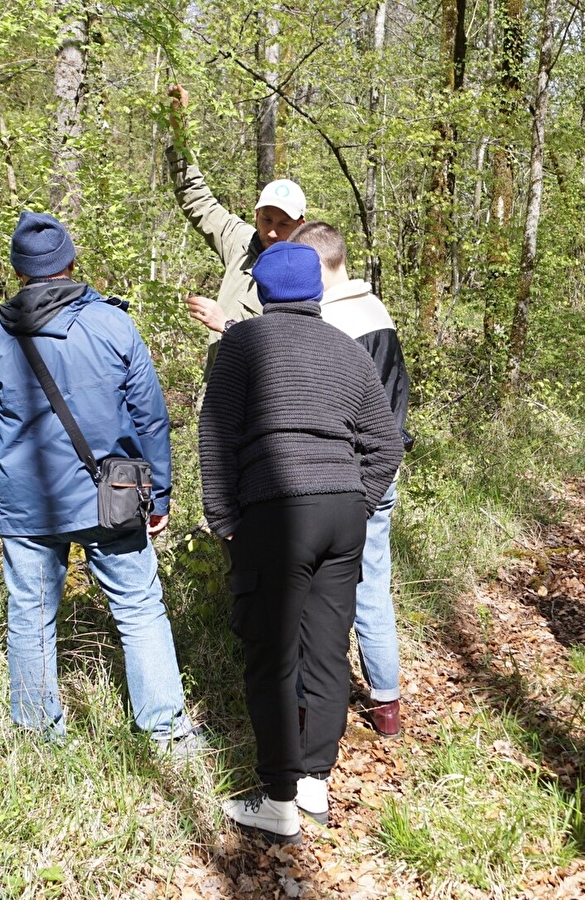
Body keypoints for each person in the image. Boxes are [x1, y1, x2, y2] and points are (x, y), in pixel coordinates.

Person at [0, 211, 202, 754]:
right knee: (138, 608)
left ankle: (40, 739)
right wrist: (158, 493)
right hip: (111, 496)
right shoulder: (113, 325)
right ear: (70, 262)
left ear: (19, 272)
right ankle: (166, 734)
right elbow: (151, 417)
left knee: (31, 616)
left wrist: (4, 463)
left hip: (27, 504)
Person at [199, 242, 403, 844]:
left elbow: (216, 435)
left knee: (271, 655)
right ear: (316, 291)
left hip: (276, 510)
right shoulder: (347, 349)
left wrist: (223, 517)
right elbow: (386, 446)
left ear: (261, 293)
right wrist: (357, 502)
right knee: (326, 649)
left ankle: (280, 799)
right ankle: (316, 781)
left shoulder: (241, 345)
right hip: (342, 517)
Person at [163, 84, 306, 373]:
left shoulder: (308, 276)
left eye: (284, 224)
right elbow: (195, 196)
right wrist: (180, 133)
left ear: (301, 224)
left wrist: (226, 325)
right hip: (218, 394)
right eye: (267, 220)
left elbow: (292, 352)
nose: (273, 232)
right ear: (256, 214)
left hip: (262, 407)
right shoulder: (240, 242)